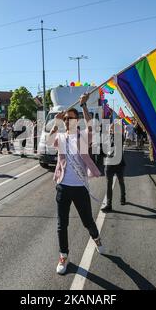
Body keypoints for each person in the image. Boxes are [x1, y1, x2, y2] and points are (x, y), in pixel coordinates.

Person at [49, 93, 105, 275]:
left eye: (69, 118)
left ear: (77, 120)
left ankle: (96, 237)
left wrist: (84, 106)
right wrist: (55, 123)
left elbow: (93, 129)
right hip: (63, 187)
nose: (66, 121)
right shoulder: (61, 137)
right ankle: (64, 256)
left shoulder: (81, 136)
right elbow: (49, 142)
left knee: (87, 220)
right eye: (65, 118)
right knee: (61, 224)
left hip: (80, 187)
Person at [101, 123, 126, 212]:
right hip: (109, 163)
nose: (111, 130)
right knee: (108, 184)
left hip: (119, 163)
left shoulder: (120, 137)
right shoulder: (108, 136)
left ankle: (123, 197)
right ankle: (109, 204)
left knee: (121, 181)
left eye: (113, 129)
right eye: (111, 129)